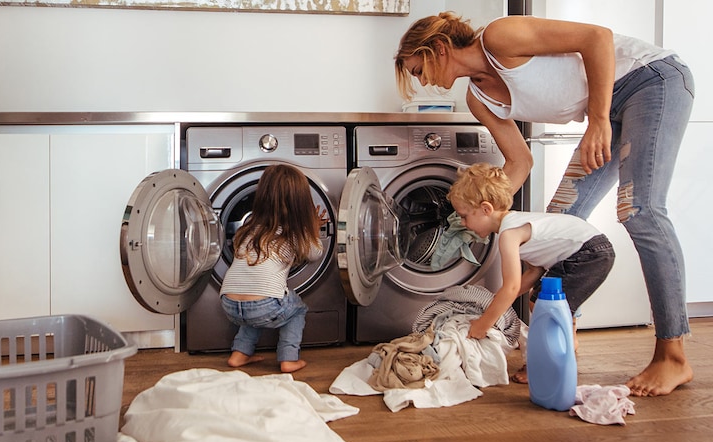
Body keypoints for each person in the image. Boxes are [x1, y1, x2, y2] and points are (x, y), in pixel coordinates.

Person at [394, 12, 695, 396]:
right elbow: (520, 163)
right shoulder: (478, 98)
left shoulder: (500, 37)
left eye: (419, 70)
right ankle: (561, 340)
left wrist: (599, 120)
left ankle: (673, 354)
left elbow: (597, 38)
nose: (422, 82)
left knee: (640, 211)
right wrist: (478, 212)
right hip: (611, 108)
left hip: (651, 81)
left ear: (438, 48)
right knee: (555, 225)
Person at [447, 163, 615, 383]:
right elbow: (534, 271)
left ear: (486, 209)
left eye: (464, 216)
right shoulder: (515, 223)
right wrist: (497, 300)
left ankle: (544, 364)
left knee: (543, 305)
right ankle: (561, 348)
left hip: (587, 252)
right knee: (544, 302)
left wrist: (483, 324)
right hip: (589, 249)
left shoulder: (509, 234)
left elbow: (512, 287)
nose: (462, 223)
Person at [219, 164, 326, 373]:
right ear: (301, 203)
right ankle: (288, 358)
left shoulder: (250, 227)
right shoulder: (295, 232)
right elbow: (315, 254)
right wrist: (313, 229)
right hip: (264, 306)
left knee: (254, 299)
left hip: (229, 303)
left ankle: (239, 354)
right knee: (297, 309)